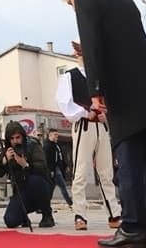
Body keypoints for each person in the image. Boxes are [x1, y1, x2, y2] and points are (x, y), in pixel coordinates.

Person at [59, 0, 146, 248]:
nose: (72, 7)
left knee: (130, 163)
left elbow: (92, 41)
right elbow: (124, 47)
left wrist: (95, 90)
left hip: (124, 95)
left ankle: (133, 227)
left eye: (69, 1)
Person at [56, 45, 121, 232]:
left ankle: (113, 212)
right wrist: (85, 113)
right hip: (84, 125)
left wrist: (105, 116)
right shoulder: (69, 76)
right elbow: (64, 102)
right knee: (81, 171)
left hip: (101, 125)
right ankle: (80, 214)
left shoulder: (100, 78)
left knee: (106, 171)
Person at [0, 121, 54, 228]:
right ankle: (23, 217)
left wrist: (26, 165)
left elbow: (43, 168)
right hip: (21, 192)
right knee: (10, 220)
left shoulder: (33, 145)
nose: (15, 141)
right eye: (12, 139)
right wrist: (4, 161)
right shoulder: (8, 150)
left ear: (22, 136)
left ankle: (47, 214)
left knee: (35, 180)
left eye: (17, 137)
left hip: (40, 189)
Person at [43, 129, 74, 212]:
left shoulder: (56, 145)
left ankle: (44, 205)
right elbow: (47, 159)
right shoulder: (47, 146)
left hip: (58, 168)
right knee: (62, 186)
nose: (57, 136)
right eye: (55, 135)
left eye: (57, 135)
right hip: (53, 169)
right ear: (50, 135)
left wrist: (65, 165)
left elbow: (61, 156)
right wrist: (50, 170)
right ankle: (71, 203)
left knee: (51, 188)